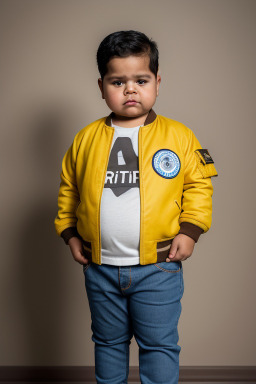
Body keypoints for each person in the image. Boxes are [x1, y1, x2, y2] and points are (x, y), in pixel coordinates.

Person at [54, 30, 218, 384]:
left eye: (140, 80)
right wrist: (69, 234)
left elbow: (199, 187)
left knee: (159, 345)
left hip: (158, 269)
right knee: (108, 342)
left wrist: (190, 231)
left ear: (157, 82)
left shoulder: (179, 136)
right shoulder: (85, 139)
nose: (130, 89)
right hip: (100, 268)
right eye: (118, 81)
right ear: (101, 86)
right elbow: (69, 190)